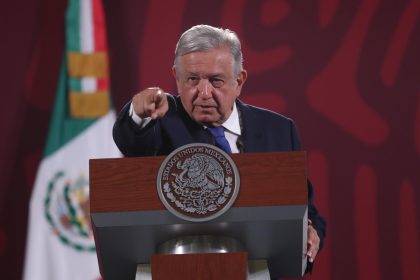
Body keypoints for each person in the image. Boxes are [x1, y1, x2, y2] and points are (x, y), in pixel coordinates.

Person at [113, 24, 326, 274]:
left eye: (216, 81)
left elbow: (304, 207)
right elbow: (130, 139)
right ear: (177, 79)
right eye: (192, 79)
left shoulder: (278, 130)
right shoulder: (161, 122)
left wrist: (311, 232)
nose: (204, 93)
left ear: (239, 81)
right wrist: (138, 112)